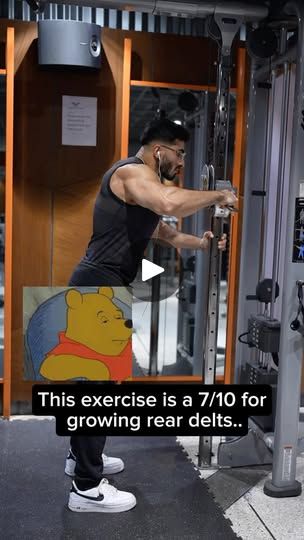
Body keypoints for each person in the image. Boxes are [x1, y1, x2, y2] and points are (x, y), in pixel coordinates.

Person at [66, 118, 238, 513]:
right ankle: (86, 489)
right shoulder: (132, 173)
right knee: (96, 389)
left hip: (105, 285)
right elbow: (167, 202)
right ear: (159, 151)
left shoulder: (141, 189)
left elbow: (162, 231)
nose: (181, 164)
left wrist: (202, 242)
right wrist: (216, 196)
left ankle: (80, 460)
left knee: (93, 386)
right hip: (98, 286)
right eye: (179, 156)